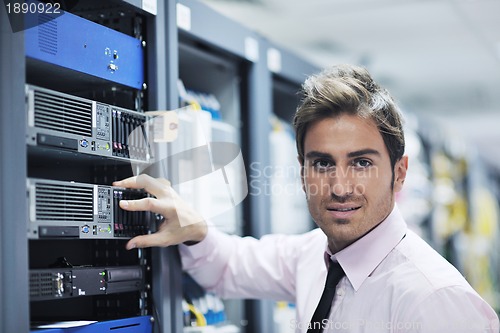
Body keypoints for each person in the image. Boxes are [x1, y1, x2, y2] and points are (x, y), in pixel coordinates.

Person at [113, 64, 499, 333]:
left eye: (361, 162)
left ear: (399, 173)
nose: (339, 186)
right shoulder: (315, 256)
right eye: (322, 163)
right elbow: (230, 266)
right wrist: (194, 228)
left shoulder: (435, 299)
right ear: (302, 172)